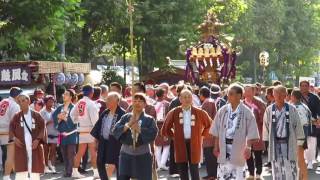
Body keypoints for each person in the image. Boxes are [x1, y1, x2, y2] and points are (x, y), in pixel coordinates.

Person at [211, 84, 259, 180]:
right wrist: (215, 147)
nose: (228, 96)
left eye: (231, 94)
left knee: (238, 175)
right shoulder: (222, 110)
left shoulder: (247, 112)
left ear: (239, 96)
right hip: (224, 148)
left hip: (239, 149)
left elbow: (251, 132)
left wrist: (248, 147)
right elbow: (216, 130)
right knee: (223, 176)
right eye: (228, 93)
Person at [162, 89, 212, 180]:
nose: (187, 99)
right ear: (180, 99)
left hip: (195, 143)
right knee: (182, 168)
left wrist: (202, 135)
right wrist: (173, 136)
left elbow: (209, 125)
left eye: (189, 97)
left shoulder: (199, 112)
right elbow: (166, 127)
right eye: (185, 97)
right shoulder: (174, 112)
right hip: (180, 143)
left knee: (194, 169)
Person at [263, 85, 305, 180]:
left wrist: (299, 143)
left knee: (291, 169)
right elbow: (265, 127)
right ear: (273, 95)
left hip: (289, 143)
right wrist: (266, 142)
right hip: (275, 143)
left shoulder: (292, 109)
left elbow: (298, 126)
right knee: (277, 170)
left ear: (286, 95)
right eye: (276, 94)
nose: (278, 96)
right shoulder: (269, 110)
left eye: (281, 94)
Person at [113, 93, 158, 180]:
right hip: (126, 154)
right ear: (132, 103)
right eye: (135, 101)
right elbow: (115, 130)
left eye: (140, 101)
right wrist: (128, 125)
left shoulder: (149, 119)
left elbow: (153, 133)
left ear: (145, 104)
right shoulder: (125, 117)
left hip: (143, 154)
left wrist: (139, 129)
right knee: (122, 177)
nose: (137, 103)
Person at [9, 93, 46, 180]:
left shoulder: (37, 115)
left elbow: (43, 128)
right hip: (21, 145)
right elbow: (11, 129)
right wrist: (14, 138)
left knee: (34, 166)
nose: (21, 103)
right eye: (19, 101)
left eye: (23, 100)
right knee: (21, 166)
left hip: (34, 144)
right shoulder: (16, 116)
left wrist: (37, 140)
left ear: (28, 101)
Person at [91, 92, 125, 179]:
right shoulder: (105, 112)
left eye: (109, 100)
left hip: (116, 144)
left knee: (119, 163)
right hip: (103, 142)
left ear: (117, 101)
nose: (107, 102)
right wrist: (95, 141)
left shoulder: (122, 114)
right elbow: (98, 127)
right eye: (107, 99)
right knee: (99, 162)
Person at [70, 84, 99, 178]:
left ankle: (74, 171)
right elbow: (95, 119)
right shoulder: (91, 103)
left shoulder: (79, 102)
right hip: (90, 130)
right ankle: (95, 172)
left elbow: (72, 114)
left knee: (80, 152)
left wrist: (77, 121)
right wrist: (97, 131)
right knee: (93, 152)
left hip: (81, 129)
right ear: (91, 93)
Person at [52, 89, 79, 177]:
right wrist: (59, 118)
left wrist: (65, 119)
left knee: (71, 153)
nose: (64, 95)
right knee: (63, 153)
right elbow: (54, 116)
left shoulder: (74, 107)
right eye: (64, 94)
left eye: (66, 94)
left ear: (71, 97)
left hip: (71, 134)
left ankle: (70, 171)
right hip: (61, 134)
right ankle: (67, 169)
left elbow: (76, 122)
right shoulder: (60, 107)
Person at [243, 84, 266, 180]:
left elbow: (264, 118)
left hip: (257, 132)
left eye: (249, 91)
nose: (247, 93)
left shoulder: (259, 102)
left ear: (253, 92)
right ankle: (251, 173)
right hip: (245, 134)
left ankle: (259, 173)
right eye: (246, 91)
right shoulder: (242, 103)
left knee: (258, 154)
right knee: (248, 154)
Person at [0, 87, 22, 180]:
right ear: (17, 95)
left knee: (7, 154)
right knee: (10, 155)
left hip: (1, 130)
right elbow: (15, 122)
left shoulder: (2, 101)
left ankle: (11, 172)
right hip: (7, 131)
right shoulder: (15, 105)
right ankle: (6, 175)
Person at [290, 89, 311, 180]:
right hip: (304, 134)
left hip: (298, 135)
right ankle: (300, 177)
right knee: (299, 158)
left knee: (300, 159)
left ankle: (304, 178)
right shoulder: (305, 106)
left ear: (293, 96)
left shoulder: (293, 107)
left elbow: (298, 124)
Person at [199, 86, 217, 180]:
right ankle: (211, 174)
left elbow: (207, 118)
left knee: (209, 154)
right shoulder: (210, 101)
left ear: (202, 94)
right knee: (209, 154)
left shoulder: (208, 102)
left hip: (209, 132)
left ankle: (212, 174)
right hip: (209, 131)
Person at [300, 80, 320, 163]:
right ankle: (303, 159)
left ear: (308, 87)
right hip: (300, 123)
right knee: (301, 142)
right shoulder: (297, 96)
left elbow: (319, 110)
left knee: (311, 142)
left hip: (312, 122)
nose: (304, 87)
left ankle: (310, 161)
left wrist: (318, 119)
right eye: (302, 85)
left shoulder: (314, 97)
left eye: (306, 85)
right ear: (300, 87)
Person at [40, 95, 58, 173]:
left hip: (55, 132)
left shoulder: (55, 111)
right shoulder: (41, 112)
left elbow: (58, 122)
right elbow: (40, 125)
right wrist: (48, 122)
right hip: (45, 134)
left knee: (53, 151)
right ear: (45, 102)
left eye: (52, 101)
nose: (51, 103)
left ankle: (52, 166)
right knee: (45, 151)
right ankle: (46, 167)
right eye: (49, 101)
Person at [154, 88, 170, 171]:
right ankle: (162, 164)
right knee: (166, 145)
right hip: (165, 125)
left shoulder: (153, 104)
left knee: (158, 146)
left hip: (155, 125)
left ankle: (159, 164)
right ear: (163, 95)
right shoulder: (167, 104)